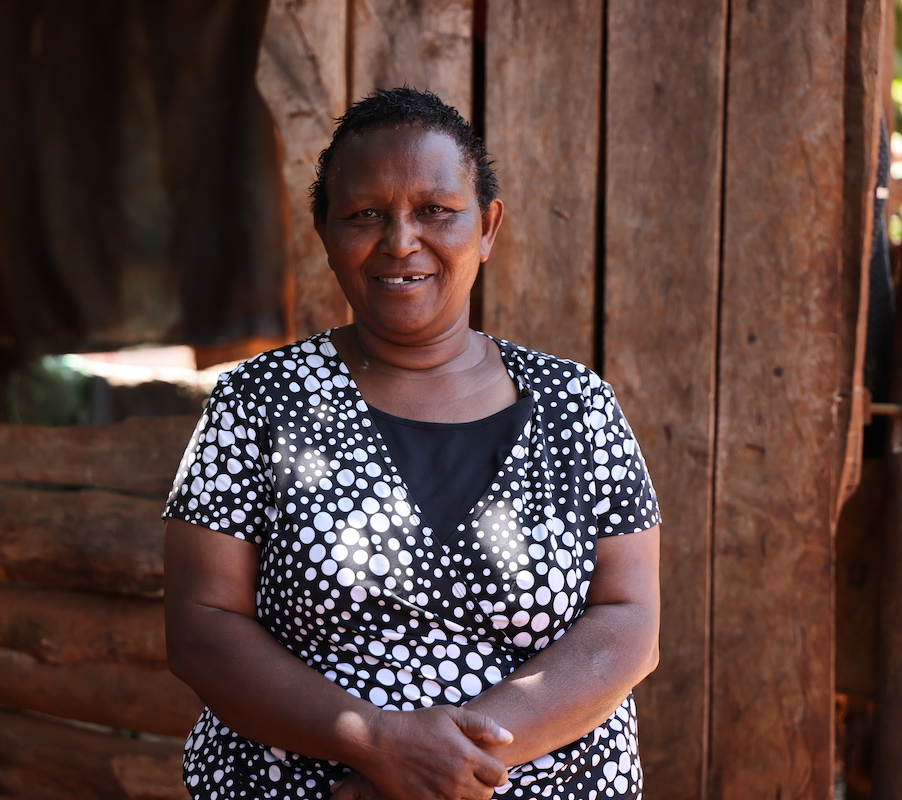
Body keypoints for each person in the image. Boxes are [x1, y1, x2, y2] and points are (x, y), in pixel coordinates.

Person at [162, 87, 661, 800]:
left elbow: (629, 617)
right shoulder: (258, 402)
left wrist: (452, 765)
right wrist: (378, 746)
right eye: (365, 214)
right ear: (325, 231)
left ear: (486, 228)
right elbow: (201, 623)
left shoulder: (577, 406)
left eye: (434, 211)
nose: (400, 241)